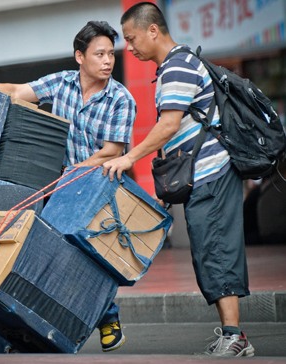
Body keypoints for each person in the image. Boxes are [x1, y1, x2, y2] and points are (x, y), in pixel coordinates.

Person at [0, 21, 137, 352]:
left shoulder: (121, 98)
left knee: (91, 256)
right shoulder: (62, 83)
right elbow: (16, 92)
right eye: (99, 54)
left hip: (102, 187)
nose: (107, 61)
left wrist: (72, 172)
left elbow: (112, 152)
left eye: (110, 54)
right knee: (57, 254)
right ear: (79, 56)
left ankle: (108, 318)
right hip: (64, 187)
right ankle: (54, 327)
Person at [102, 3, 254, 357]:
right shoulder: (173, 66)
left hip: (212, 173)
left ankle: (235, 336)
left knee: (216, 248)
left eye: (132, 38)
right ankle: (231, 334)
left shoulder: (178, 67)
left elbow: (169, 125)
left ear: (152, 30)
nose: (130, 47)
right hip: (204, 175)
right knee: (208, 249)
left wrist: (129, 158)